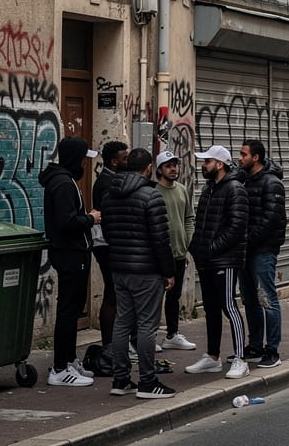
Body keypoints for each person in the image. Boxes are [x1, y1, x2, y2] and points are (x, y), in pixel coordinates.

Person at [101, 147, 178, 399]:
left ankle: (120, 379)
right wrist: (168, 271)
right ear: (147, 168)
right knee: (147, 325)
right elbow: (160, 239)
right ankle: (148, 381)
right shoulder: (151, 196)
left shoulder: (110, 194)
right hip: (146, 270)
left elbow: (108, 233)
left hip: (119, 268)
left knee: (122, 322)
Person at [184, 145, 250, 380]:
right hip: (208, 259)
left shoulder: (235, 189)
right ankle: (212, 357)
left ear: (219, 164)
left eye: (207, 161)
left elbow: (236, 228)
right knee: (211, 308)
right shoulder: (210, 189)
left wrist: (211, 248)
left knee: (228, 306)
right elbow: (201, 222)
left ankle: (241, 359)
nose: (203, 165)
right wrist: (196, 247)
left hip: (225, 259)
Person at [40, 136, 100, 387]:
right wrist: (91, 219)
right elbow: (66, 222)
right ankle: (60, 368)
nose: (86, 165)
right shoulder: (64, 184)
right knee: (67, 311)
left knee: (72, 309)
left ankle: (69, 359)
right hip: (70, 253)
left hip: (72, 252)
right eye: (84, 159)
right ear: (75, 158)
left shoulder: (64, 181)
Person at [237, 140, 286, 368]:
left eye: (243, 154)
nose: (240, 158)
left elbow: (271, 219)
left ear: (255, 158)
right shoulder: (244, 180)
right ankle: (255, 346)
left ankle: (272, 350)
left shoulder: (272, 183)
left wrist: (248, 239)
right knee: (250, 300)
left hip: (263, 250)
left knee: (267, 299)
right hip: (246, 250)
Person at [155, 150, 198, 351]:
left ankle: (172, 334)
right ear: (159, 169)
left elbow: (189, 217)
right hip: (159, 254)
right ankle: (149, 336)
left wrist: (187, 239)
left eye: (175, 165)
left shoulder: (181, 189)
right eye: (168, 166)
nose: (173, 169)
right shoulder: (154, 191)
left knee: (174, 296)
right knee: (154, 297)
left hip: (179, 253)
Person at [92, 140, 128, 350]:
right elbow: (109, 216)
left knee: (115, 292)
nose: (128, 161)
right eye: (124, 158)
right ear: (114, 162)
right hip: (107, 244)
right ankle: (109, 344)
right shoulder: (108, 183)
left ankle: (115, 342)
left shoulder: (110, 178)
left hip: (108, 242)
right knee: (113, 293)